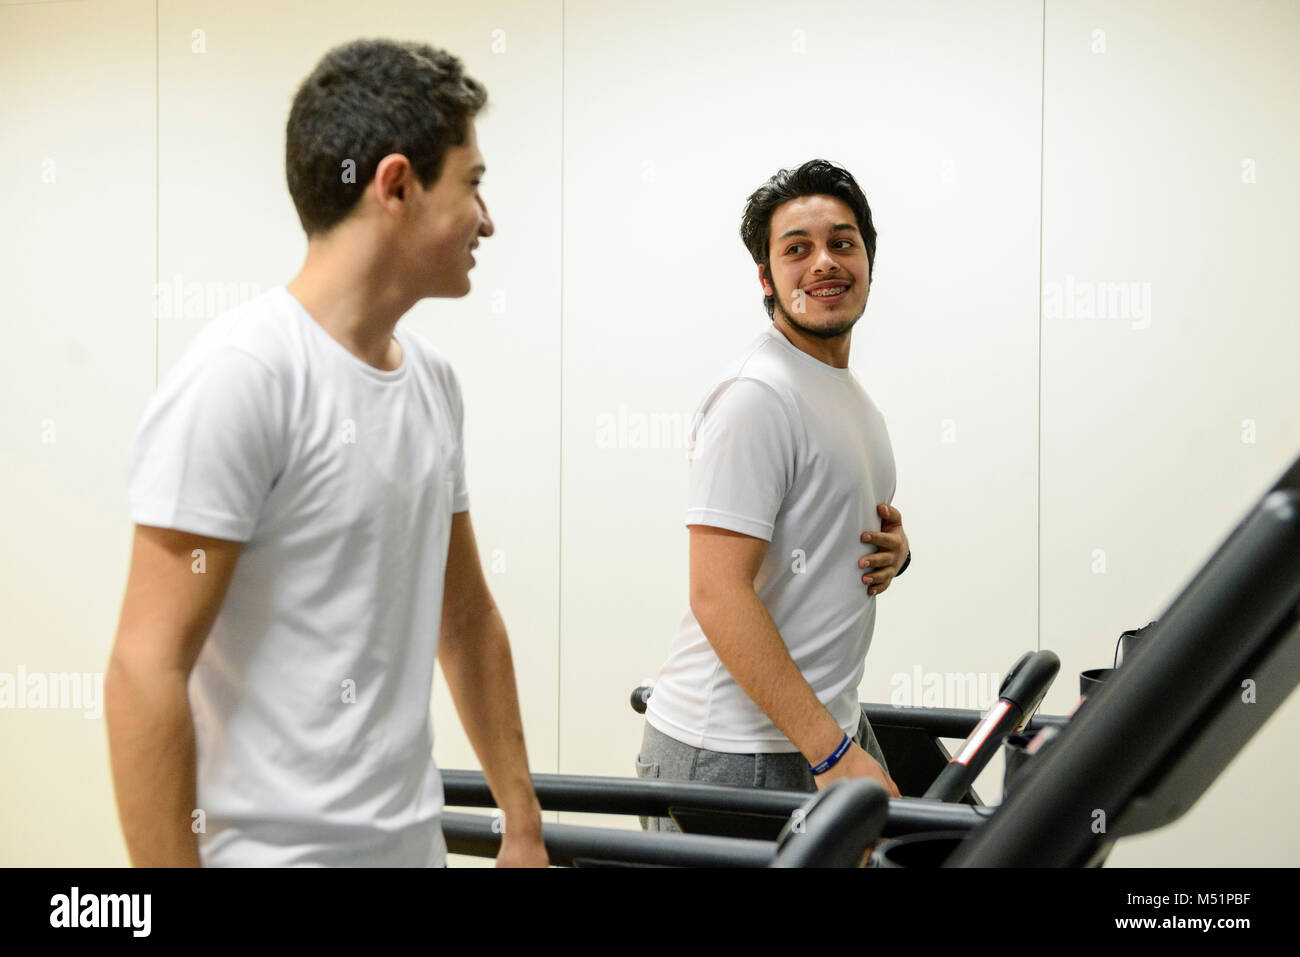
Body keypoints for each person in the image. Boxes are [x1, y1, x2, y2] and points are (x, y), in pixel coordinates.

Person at [105, 38, 547, 867]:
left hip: (412, 850)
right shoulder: (245, 377)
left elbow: (466, 616)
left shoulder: (435, 385)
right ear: (396, 186)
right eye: (473, 184)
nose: (487, 220)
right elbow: (145, 668)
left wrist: (520, 821)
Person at [637, 159, 911, 829]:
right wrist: (834, 754)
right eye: (797, 249)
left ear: (870, 260)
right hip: (732, 752)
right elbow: (717, 592)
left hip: (815, 729)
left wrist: (896, 552)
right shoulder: (757, 395)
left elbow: (821, 536)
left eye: (843, 242)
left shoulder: (854, 403)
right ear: (767, 277)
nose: (824, 262)